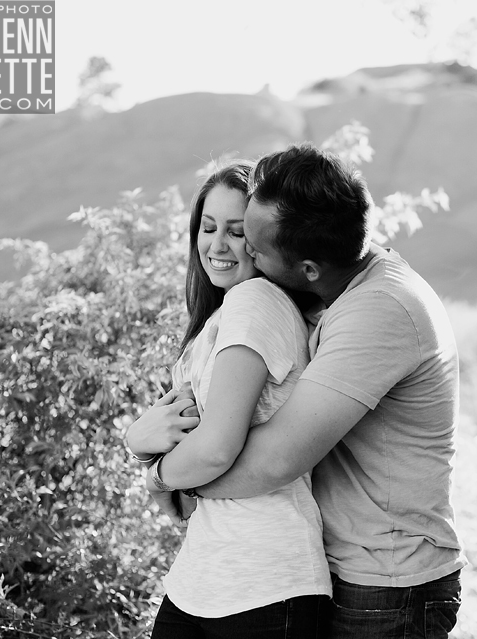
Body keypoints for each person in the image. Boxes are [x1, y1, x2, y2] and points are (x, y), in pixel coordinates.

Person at [151, 142, 466, 638]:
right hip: (346, 567)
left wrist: (168, 477)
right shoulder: (335, 289)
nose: (237, 252)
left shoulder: (380, 311)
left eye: (252, 245)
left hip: (386, 584)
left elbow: (277, 461)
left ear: (308, 268)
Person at [125, 160, 331, 638]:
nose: (217, 245)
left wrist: (148, 464)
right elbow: (188, 503)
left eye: (237, 232)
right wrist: (150, 453)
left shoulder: (255, 301)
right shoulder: (218, 323)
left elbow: (214, 451)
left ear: (262, 242)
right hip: (202, 577)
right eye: (208, 226)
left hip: (266, 581)